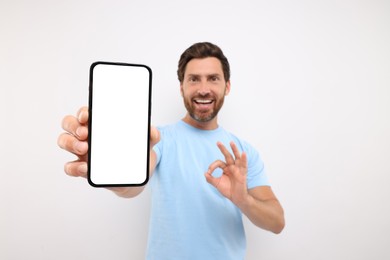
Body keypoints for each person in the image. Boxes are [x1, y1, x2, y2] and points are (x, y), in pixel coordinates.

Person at [58, 42, 285, 260]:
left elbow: (277, 222)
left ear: (227, 86)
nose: (203, 89)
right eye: (194, 79)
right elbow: (130, 188)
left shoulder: (243, 153)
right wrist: (112, 174)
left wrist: (243, 199)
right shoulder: (158, 140)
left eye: (213, 79)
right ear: (181, 87)